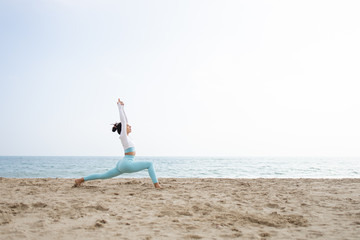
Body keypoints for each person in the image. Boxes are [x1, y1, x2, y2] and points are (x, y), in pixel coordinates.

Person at [74, 98, 161, 188]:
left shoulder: (127, 137)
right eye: (128, 126)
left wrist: (123, 108)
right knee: (149, 164)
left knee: (103, 176)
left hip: (122, 163)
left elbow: (125, 121)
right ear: (123, 128)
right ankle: (157, 185)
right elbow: (123, 122)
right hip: (126, 163)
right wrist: (119, 107)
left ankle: (80, 180)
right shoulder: (123, 137)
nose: (130, 126)